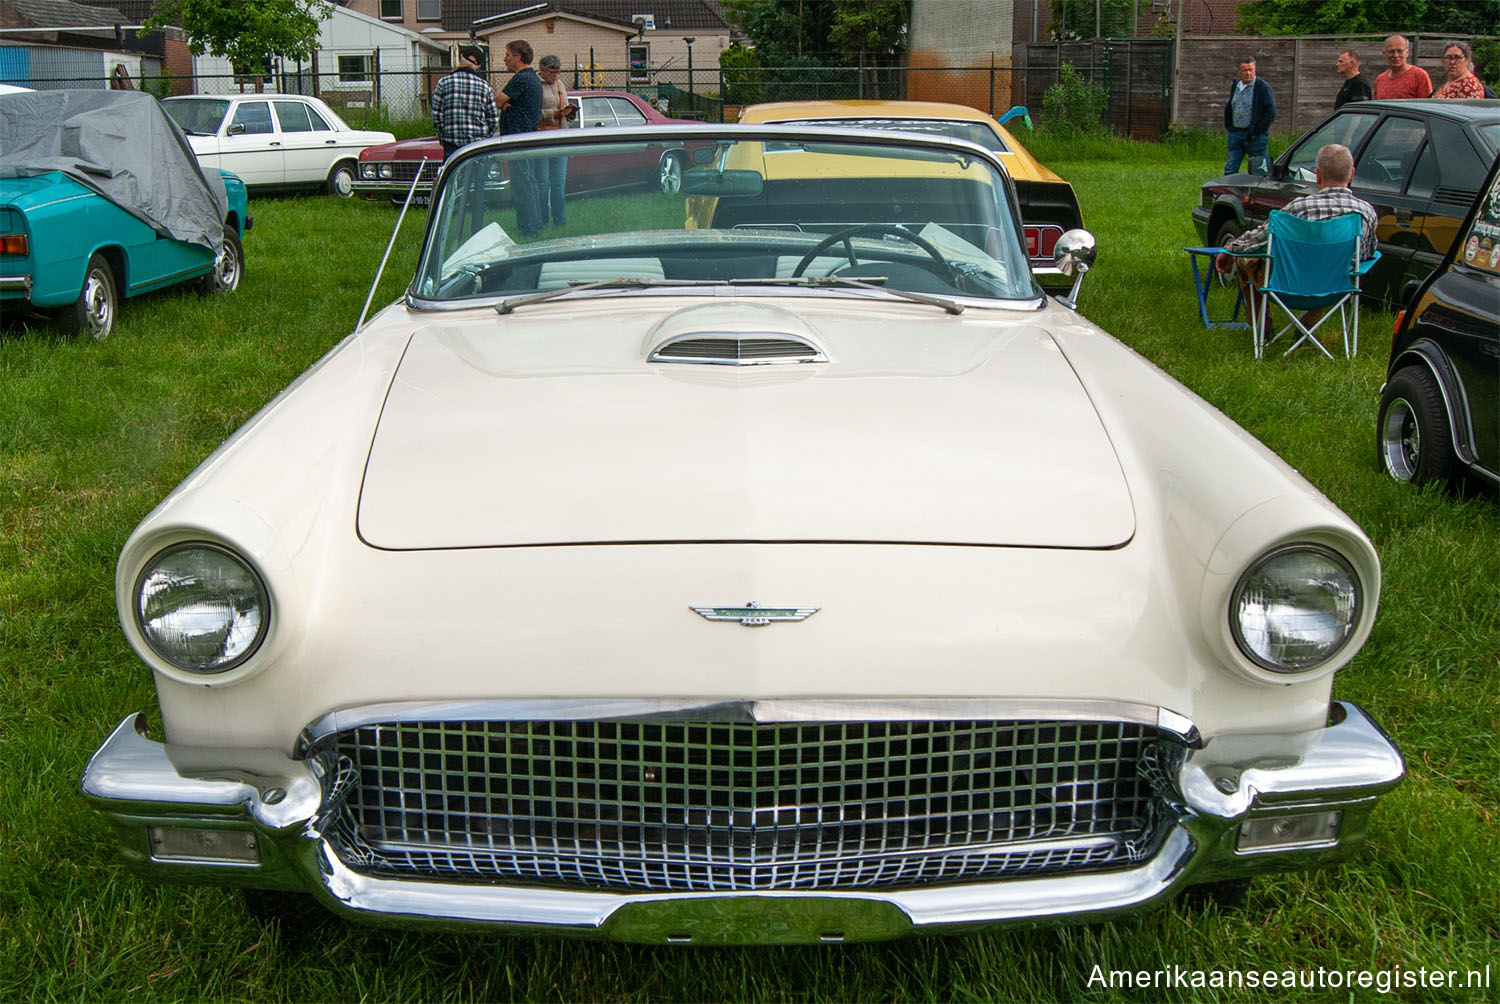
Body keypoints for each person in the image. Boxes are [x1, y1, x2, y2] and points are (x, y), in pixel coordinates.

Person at [1215, 144, 1378, 341]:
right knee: (1340, 267)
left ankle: (1264, 332)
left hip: (1286, 285)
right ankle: (1304, 329)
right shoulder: (1366, 213)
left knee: (1245, 261)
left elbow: (1259, 240)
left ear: (1317, 175)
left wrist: (1231, 249)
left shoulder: (1297, 208)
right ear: (1351, 174)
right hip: (1336, 288)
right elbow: (1367, 253)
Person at [495, 39, 544, 236]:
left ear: (518, 57)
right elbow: (505, 102)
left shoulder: (521, 78)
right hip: (526, 137)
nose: (505, 59)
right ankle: (535, 223)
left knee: (522, 185)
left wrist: (504, 104)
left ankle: (528, 228)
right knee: (528, 182)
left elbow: (498, 99)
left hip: (519, 139)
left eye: (507, 55)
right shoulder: (531, 78)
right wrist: (507, 104)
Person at [432, 44, 497, 160]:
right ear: (478, 66)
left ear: (461, 57)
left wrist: (442, 135)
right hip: (477, 145)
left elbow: (436, 114)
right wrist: (486, 137)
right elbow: (493, 119)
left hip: (451, 143)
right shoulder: (485, 86)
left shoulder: (443, 82)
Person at [535, 53, 576, 229]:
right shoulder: (536, 85)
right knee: (543, 183)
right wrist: (555, 114)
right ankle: (543, 220)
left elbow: (565, 112)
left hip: (560, 138)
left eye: (558, 72)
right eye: (552, 72)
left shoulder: (560, 85)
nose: (555, 76)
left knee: (558, 183)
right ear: (542, 71)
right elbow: (534, 114)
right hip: (542, 138)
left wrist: (570, 112)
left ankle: (560, 221)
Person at [1223, 57, 1276, 176]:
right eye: (1244, 70)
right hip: (1236, 133)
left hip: (1255, 136)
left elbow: (1271, 111)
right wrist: (1230, 127)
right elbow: (1231, 106)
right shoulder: (1235, 86)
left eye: (1250, 70)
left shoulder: (1262, 87)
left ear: (1255, 71)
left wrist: (1257, 131)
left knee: (1259, 170)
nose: (1248, 73)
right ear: (1239, 72)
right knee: (1230, 168)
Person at [1373, 35, 1432, 100]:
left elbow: (1427, 105)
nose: (1395, 55)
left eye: (1399, 51)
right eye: (1391, 52)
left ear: (1407, 53)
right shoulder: (1380, 80)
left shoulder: (1419, 76)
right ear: (1384, 54)